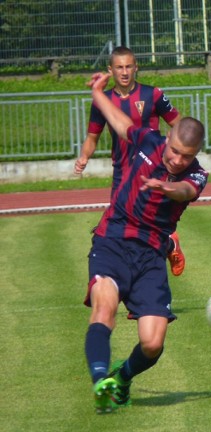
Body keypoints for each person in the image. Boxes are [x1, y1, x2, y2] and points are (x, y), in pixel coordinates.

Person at [83, 70, 208, 413]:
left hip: (150, 254)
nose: (177, 160)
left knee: (152, 344)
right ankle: (100, 382)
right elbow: (120, 122)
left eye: (187, 155)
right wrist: (98, 93)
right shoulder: (149, 141)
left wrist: (169, 186)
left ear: (196, 153)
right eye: (176, 151)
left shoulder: (197, 174)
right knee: (104, 308)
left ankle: (121, 378)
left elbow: (187, 190)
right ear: (168, 138)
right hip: (111, 241)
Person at [74, 46, 187, 276]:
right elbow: (92, 137)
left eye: (128, 66)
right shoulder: (102, 102)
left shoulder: (152, 94)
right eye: (119, 67)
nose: (124, 72)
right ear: (111, 70)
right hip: (122, 173)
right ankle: (167, 245)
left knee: (142, 225)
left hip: (152, 170)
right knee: (124, 229)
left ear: (136, 67)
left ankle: (145, 282)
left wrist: (176, 149)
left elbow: (180, 125)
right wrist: (84, 156)